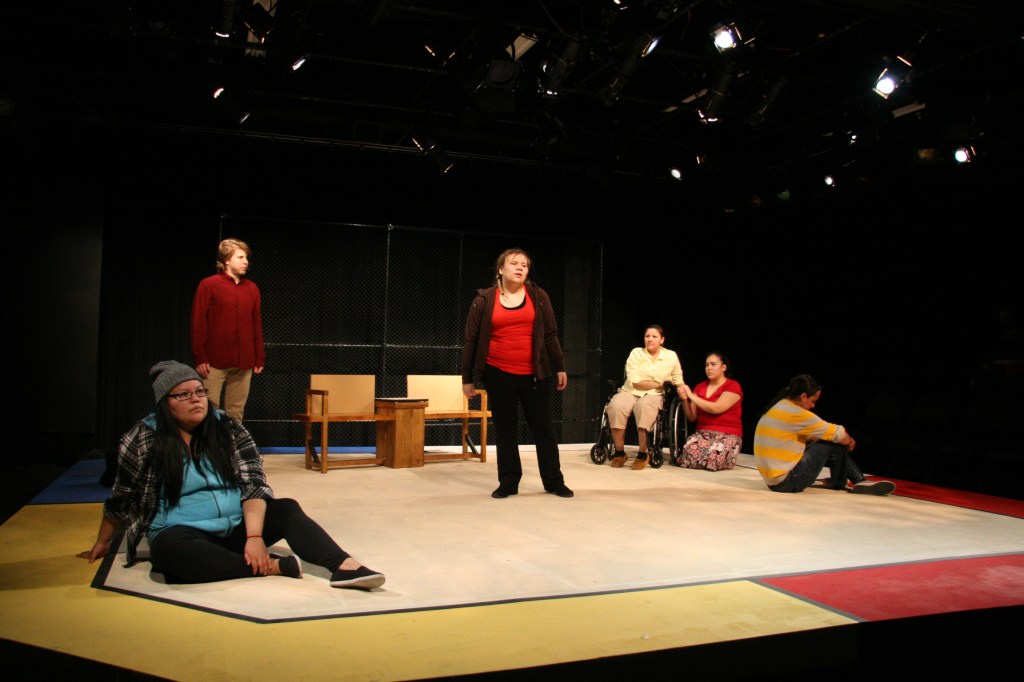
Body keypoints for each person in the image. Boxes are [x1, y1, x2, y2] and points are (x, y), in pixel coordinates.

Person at [78, 360, 385, 590]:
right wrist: (104, 542)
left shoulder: (227, 427)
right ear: (164, 403)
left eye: (199, 391)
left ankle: (346, 566)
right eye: (183, 395)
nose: (196, 399)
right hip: (182, 532)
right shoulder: (143, 438)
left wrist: (254, 537)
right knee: (169, 554)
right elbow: (123, 495)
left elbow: (254, 483)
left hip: (238, 525)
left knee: (287, 509)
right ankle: (272, 567)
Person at [461, 247, 574, 499]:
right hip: (498, 373)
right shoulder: (484, 300)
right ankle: (509, 481)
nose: (520, 267)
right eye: (514, 263)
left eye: (524, 264)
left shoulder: (538, 296)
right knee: (506, 430)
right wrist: (467, 379)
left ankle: (554, 481)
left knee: (544, 429)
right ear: (501, 269)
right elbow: (471, 341)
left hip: (535, 374)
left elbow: (550, 335)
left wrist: (560, 366)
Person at [753, 373, 895, 495]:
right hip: (787, 482)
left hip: (774, 481)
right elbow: (839, 434)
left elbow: (807, 436)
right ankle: (858, 480)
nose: (813, 405)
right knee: (832, 440)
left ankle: (840, 481)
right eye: (813, 401)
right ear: (803, 396)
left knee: (828, 438)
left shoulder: (777, 408)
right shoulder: (797, 414)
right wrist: (849, 441)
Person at [191, 237, 265, 422]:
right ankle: (208, 442)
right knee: (208, 410)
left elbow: (256, 323)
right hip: (214, 361)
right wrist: (200, 356)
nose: (246, 262)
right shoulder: (209, 285)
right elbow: (198, 322)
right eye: (240, 257)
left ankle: (231, 441)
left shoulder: (252, 288)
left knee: (236, 411)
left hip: (244, 360)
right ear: (226, 260)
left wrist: (259, 356)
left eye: (246, 258)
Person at [605, 325, 685, 470]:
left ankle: (643, 454)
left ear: (662, 340)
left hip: (655, 394)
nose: (650, 339)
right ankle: (619, 452)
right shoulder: (636, 353)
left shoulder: (671, 356)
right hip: (631, 390)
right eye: (647, 336)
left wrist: (682, 390)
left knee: (644, 407)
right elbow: (635, 381)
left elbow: (677, 379)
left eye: (654, 336)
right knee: (616, 406)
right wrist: (659, 384)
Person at [676, 351, 743, 470]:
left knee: (714, 455)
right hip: (703, 434)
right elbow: (692, 417)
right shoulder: (700, 387)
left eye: (713, 364)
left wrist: (691, 396)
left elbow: (716, 408)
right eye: (706, 365)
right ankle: (705, 460)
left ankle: (713, 460)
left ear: (723, 367)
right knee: (687, 454)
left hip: (727, 434)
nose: (709, 368)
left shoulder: (732, 385)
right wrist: (685, 399)